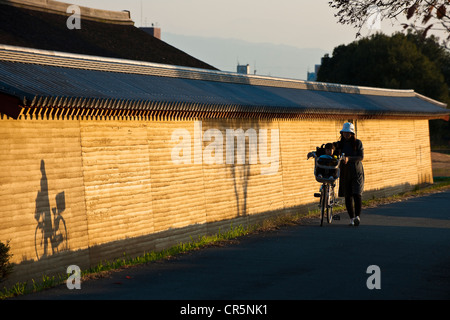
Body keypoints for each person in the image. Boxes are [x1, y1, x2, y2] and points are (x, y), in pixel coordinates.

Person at [334, 122, 365, 226]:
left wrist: (349, 158)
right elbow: (332, 150)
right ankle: (351, 219)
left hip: (357, 171)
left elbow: (361, 157)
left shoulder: (358, 143)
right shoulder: (340, 144)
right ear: (342, 133)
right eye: (344, 132)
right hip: (345, 172)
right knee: (348, 196)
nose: (346, 134)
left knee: (357, 194)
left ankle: (357, 217)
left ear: (352, 133)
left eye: (348, 133)